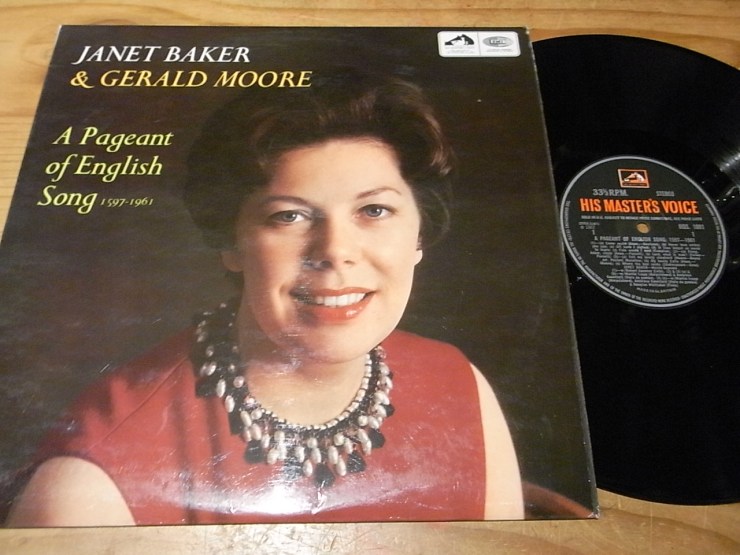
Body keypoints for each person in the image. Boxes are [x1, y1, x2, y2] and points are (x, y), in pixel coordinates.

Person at [6, 70, 523, 526]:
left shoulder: (457, 382)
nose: (335, 252)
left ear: (419, 235)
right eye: (288, 216)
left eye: (374, 211)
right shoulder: (91, 482)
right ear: (231, 244)